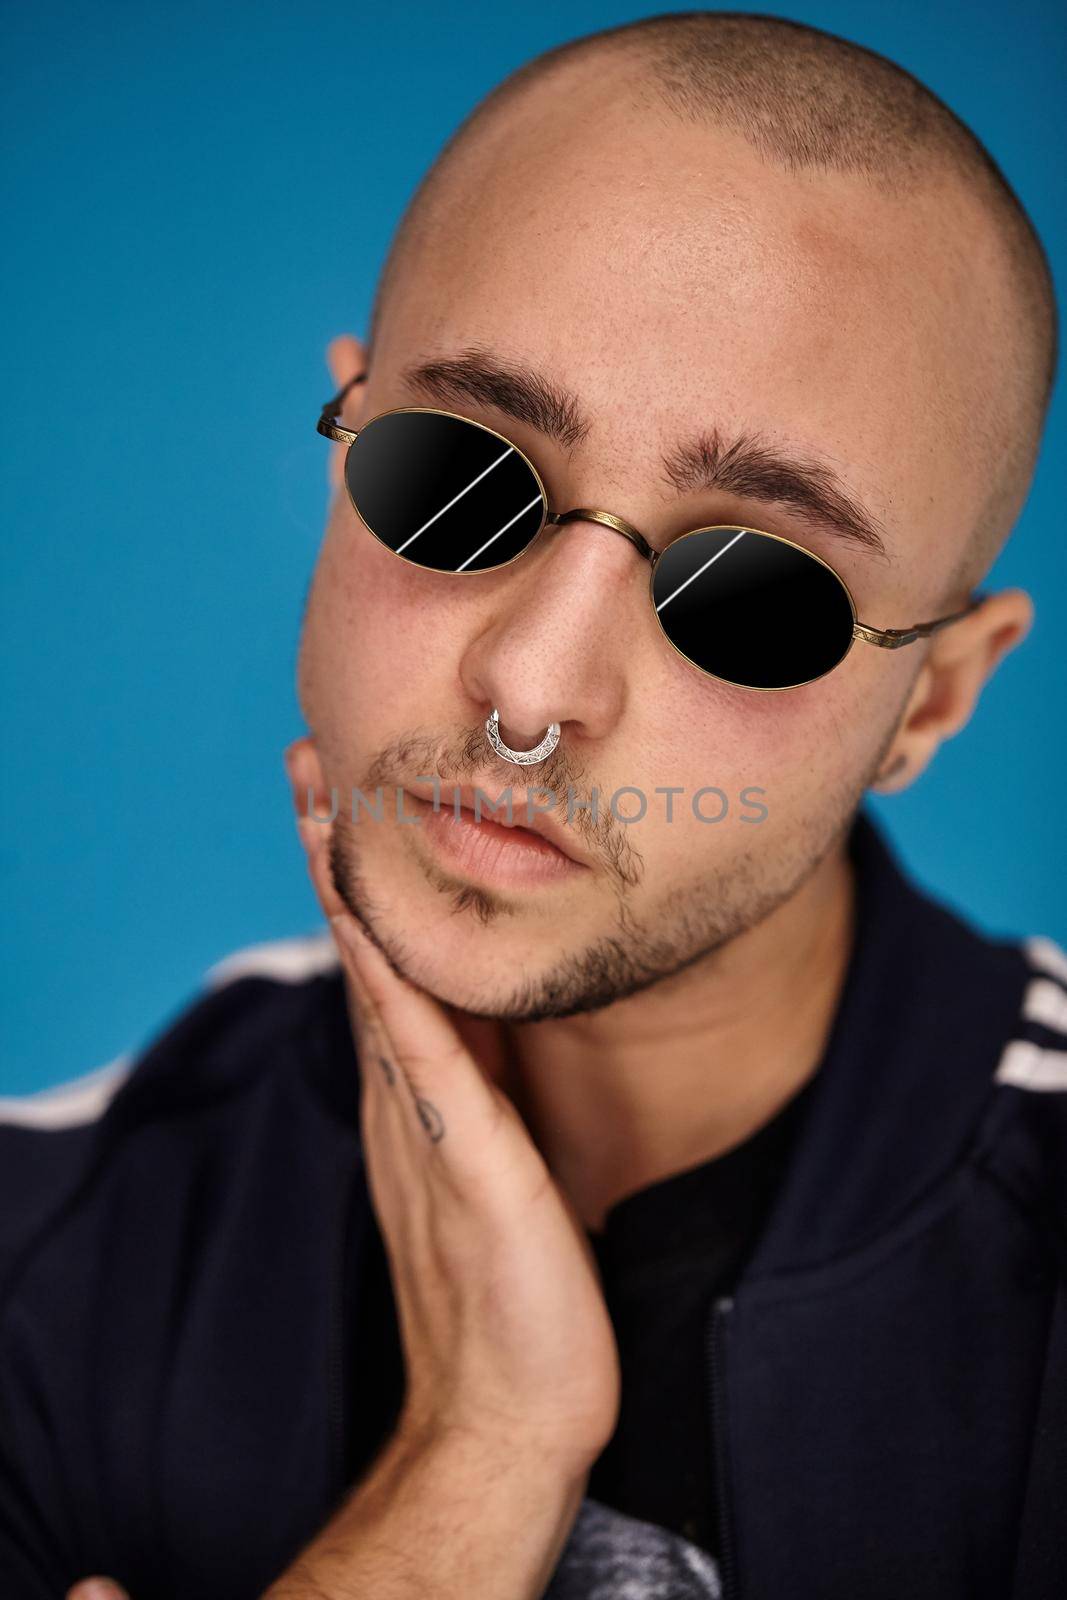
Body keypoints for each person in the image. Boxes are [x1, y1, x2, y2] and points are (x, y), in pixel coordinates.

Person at [2, 11, 1064, 1600]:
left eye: (756, 591)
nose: (531, 685)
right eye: (457, 473)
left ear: (932, 699)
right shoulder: (46, 1249)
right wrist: (484, 1448)